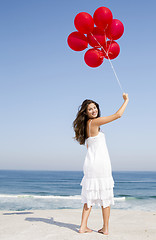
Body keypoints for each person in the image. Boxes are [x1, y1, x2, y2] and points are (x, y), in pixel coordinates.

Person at [73, 93, 129, 235]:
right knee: (105, 197)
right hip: (100, 165)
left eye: (95, 108)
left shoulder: (87, 125)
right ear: (85, 112)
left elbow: (89, 147)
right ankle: (105, 228)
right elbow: (118, 115)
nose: (94, 110)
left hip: (91, 165)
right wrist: (126, 100)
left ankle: (83, 226)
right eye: (90, 109)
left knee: (89, 196)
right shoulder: (95, 122)